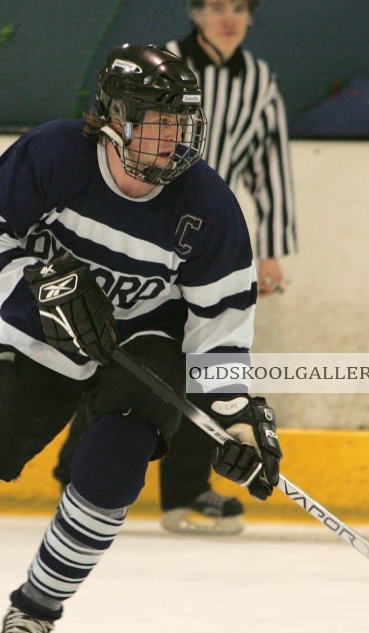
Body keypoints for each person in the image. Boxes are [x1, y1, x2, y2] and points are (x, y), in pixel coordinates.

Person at [0, 44, 283, 633]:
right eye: (155, 119)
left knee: (109, 469)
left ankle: (35, 611)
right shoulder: (54, 154)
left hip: (147, 343)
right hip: (42, 326)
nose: (171, 138)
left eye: (181, 122)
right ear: (112, 118)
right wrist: (41, 295)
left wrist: (237, 420)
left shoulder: (209, 209)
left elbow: (220, 328)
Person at [54, 0, 298, 536]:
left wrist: (273, 249)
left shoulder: (259, 79)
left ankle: (186, 491)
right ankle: (78, 474)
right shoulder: (157, 70)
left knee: (199, 366)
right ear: (195, 14)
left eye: (238, 8)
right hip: (140, 230)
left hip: (209, 240)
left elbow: (271, 159)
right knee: (106, 347)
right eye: (215, 7)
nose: (227, 18)